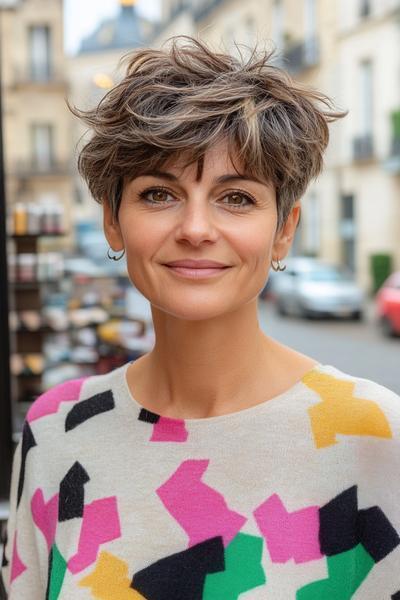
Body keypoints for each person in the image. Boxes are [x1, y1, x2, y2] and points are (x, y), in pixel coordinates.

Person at [2, 35, 400, 599]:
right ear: (113, 222)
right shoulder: (57, 433)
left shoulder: (377, 436)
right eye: (159, 194)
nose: (195, 228)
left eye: (236, 197)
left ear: (284, 229)